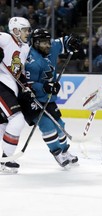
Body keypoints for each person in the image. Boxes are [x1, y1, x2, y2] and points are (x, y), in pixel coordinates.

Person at [23, 28, 81, 168]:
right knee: (47, 126)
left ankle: (65, 151)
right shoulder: (31, 61)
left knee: (60, 125)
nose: (47, 45)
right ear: (35, 43)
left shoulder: (51, 47)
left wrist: (70, 42)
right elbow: (27, 84)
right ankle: (57, 153)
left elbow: (62, 42)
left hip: (48, 98)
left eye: (48, 42)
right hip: (32, 100)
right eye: (43, 43)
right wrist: (45, 87)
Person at [0, 17, 32, 174]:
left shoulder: (25, 48)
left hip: (10, 87)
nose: (28, 33)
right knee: (17, 119)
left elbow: (19, 73)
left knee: (3, 124)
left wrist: (26, 87)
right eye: (25, 29)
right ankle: (5, 160)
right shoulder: (5, 39)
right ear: (15, 30)